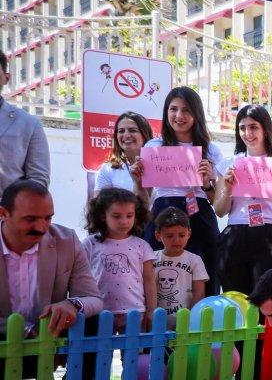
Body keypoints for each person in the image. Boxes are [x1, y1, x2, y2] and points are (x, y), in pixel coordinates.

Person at [213, 104, 272, 296]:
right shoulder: (229, 164)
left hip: (269, 234)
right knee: (236, 299)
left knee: (269, 298)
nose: (247, 133)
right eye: (242, 127)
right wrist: (227, 188)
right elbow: (220, 211)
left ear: (265, 129)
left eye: (253, 127)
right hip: (235, 234)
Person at [143, 86, 222, 295]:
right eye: (173, 109)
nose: (179, 116)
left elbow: (218, 203)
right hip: (161, 212)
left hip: (198, 215)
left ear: (196, 114)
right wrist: (137, 178)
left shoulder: (211, 150)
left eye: (186, 110)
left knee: (203, 272)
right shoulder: (154, 146)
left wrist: (206, 183)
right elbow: (144, 197)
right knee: (159, 272)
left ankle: (203, 318)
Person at [0, 179, 102, 336]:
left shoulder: (67, 241)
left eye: (48, 218)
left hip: (49, 340)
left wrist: (72, 304)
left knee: (93, 319)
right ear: (3, 214)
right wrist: (25, 332)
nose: (41, 228)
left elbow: (93, 298)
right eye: (30, 219)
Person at [82, 188, 156, 331]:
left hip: (134, 312)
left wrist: (151, 309)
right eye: (116, 216)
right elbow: (80, 278)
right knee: (101, 353)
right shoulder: (90, 244)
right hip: (99, 312)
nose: (124, 221)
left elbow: (149, 280)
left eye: (129, 215)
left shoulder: (142, 246)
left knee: (132, 353)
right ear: (103, 215)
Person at [0, 53, 51, 190]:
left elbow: (38, 180)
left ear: (6, 78)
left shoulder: (28, 124)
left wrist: (11, 207)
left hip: (7, 209)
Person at [153, 207, 209, 324]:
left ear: (189, 233)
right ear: (158, 235)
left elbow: (199, 292)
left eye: (181, 235)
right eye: (169, 236)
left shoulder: (194, 260)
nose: (176, 240)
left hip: (185, 321)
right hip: (156, 321)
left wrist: (191, 318)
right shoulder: (151, 259)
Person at [94, 111, 152, 200]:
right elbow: (98, 207)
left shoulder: (160, 164)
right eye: (121, 131)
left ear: (145, 134)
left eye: (132, 130)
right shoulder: (108, 169)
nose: (126, 135)